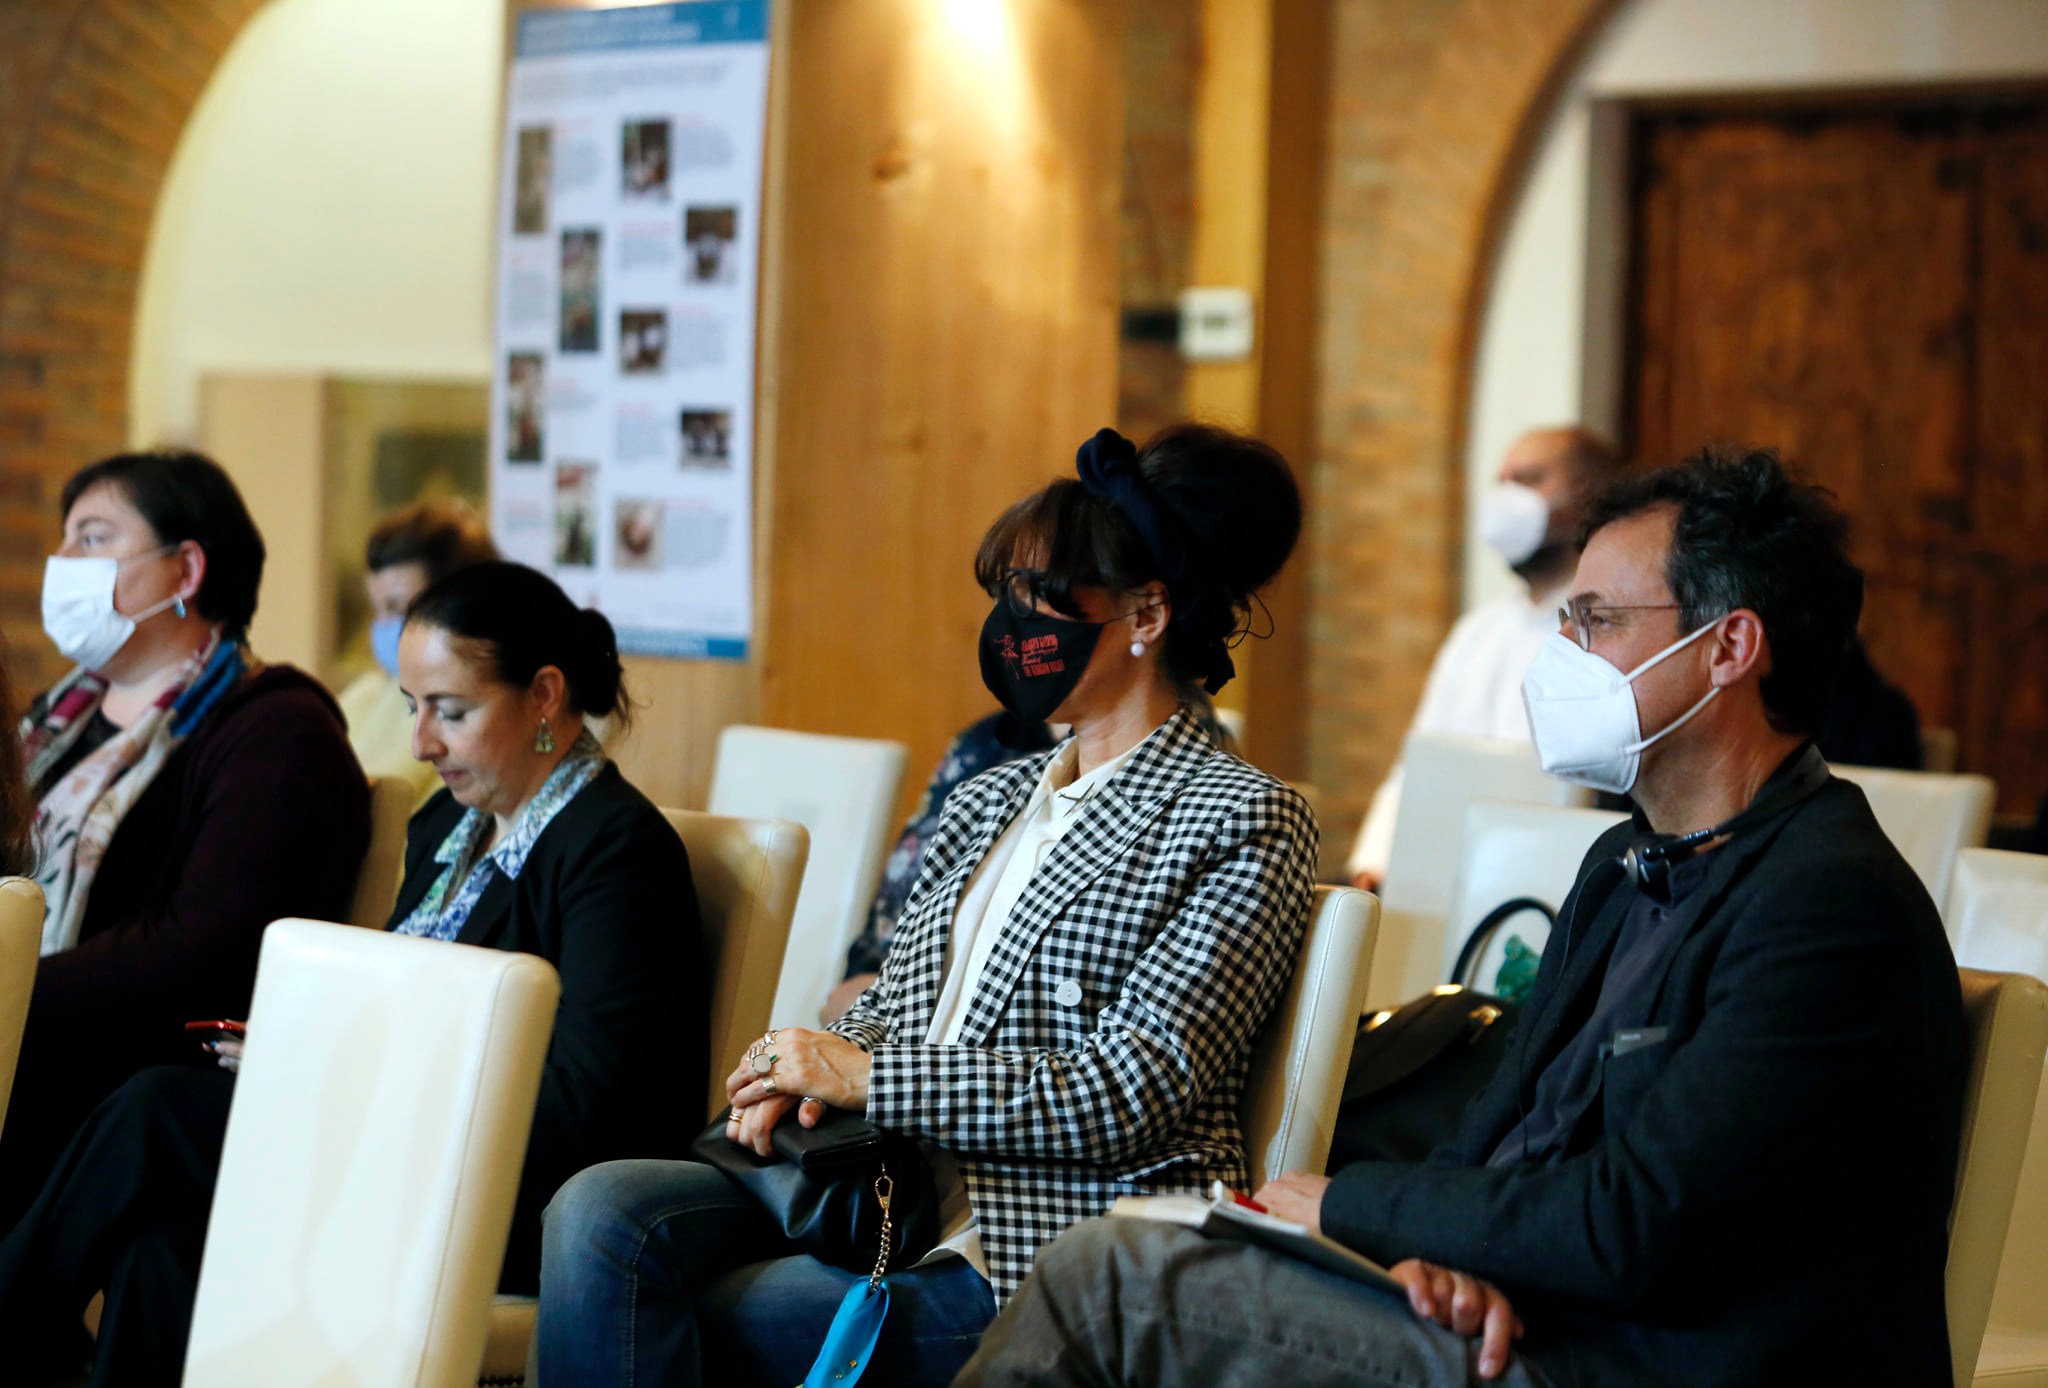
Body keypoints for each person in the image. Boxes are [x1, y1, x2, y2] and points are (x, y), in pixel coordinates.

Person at [958, 447, 1966, 1388]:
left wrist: (1350, 1205)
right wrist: (1429, 1256)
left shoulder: (1827, 905)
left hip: (1637, 1362)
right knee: (1122, 1254)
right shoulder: (1624, 865)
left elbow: (1633, 1221)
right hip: (1523, 1322)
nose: (1561, 653)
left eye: (1596, 621)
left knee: (1108, 1277)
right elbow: (1497, 1134)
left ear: (1728, 647)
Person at [531, 424, 1318, 1387]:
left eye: (1037, 597)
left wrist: (866, 1076)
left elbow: (1128, 1092)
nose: (1011, 626)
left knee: (718, 1310)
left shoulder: (1242, 816)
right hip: (888, 1185)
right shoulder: (991, 797)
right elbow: (897, 1003)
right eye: (1005, 597)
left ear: (1145, 614)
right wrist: (802, 1071)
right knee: (598, 1212)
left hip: (1051, 1241)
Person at [0, 561, 707, 1385]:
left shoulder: (616, 851)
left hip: (507, 1189)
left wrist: (353, 1083)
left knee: (156, 1110)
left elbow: (585, 1107)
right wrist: (307, 1046)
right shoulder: (448, 824)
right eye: (413, 708)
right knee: (160, 1246)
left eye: (451, 712)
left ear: (545, 696)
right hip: (394, 1146)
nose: (421, 744)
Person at [3, 449, 370, 1225]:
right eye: (65, 538)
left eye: (93, 538)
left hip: (123, 1075)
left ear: (186, 570)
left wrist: (15, 992)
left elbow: (203, 948)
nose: (62, 561)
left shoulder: (277, 732)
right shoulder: (56, 719)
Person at [824, 693, 1238, 1025]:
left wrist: (875, 1069)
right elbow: (887, 951)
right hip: (898, 1021)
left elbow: (1126, 1064)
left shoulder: (1205, 788)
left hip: (1002, 1077)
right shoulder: (986, 750)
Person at [1348, 427, 1624, 890]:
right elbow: (1418, 765)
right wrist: (1376, 862)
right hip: (1439, 876)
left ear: (1589, 495)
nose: (1506, 498)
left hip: (1552, 876)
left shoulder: (1616, 630)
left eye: (1529, 479)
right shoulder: (1476, 633)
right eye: (1502, 482)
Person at [335, 498, 499, 802]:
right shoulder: (365, 697)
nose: (383, 626)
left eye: (397, 608)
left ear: (458, 603)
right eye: (377, 610)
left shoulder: (488, 714)